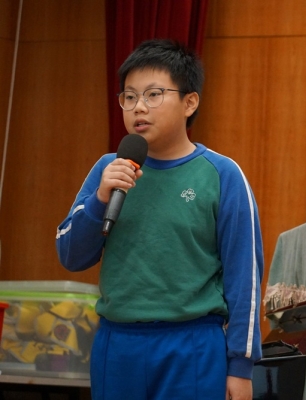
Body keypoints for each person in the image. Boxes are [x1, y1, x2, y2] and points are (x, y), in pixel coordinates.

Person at [56, 39, 263, 400]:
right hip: (117, 344)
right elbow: (70, 255)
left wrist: (240, 367)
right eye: (129, 96)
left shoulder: (222, 174)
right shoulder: (108, 170)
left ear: (189, 102)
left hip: (193, 345)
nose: (139, 107)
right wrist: (100, 199)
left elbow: (244, 276)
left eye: (153, 94)